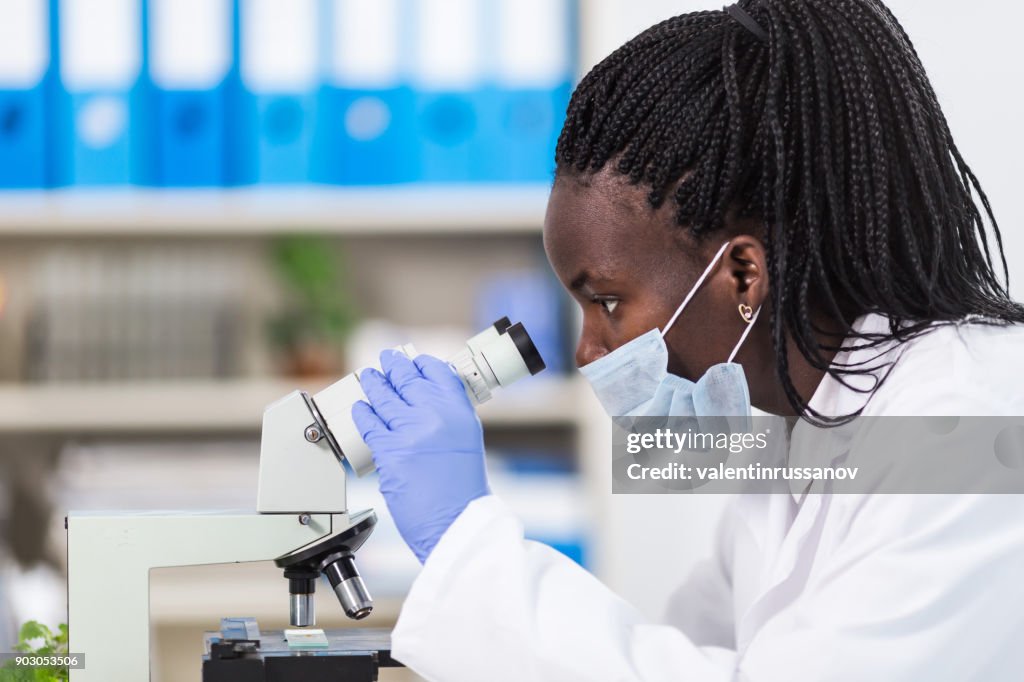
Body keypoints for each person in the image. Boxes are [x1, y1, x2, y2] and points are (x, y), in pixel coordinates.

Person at [350, 0, 1024, 679]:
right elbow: (683, 653)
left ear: (741, 275)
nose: (589, 352)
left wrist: (464, 544)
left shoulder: (972, 432)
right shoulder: (807, 435)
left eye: (607, 300)